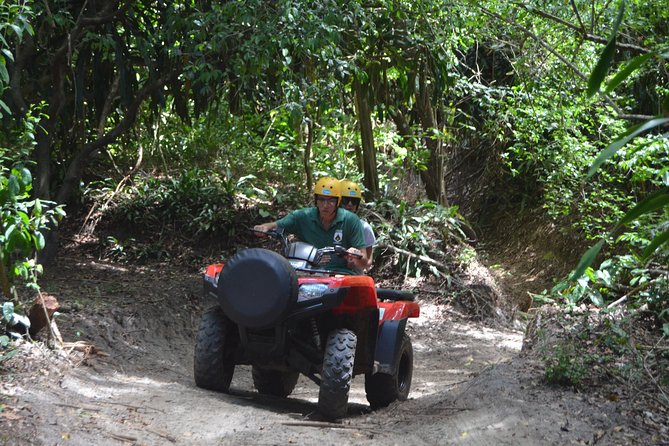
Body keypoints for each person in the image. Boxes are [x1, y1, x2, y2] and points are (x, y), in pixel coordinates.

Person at [253, 176, 368, 274]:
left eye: (331, 201)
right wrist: (264, 228)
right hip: (307, 273)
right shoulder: (302, 216)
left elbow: (364, 261)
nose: (325, 205)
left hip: (341, 274)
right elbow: (275, 225)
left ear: (338, 201)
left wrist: (355, 257)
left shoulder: (350, 220)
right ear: (316, 200)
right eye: (321, 200)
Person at [339, 179, 375, 273]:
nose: (350, 204)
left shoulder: (364, 228)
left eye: (354, 201)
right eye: (346, 200)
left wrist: (356, 260)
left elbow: (368, 262)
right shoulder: (327, 224)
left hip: (354, 276)